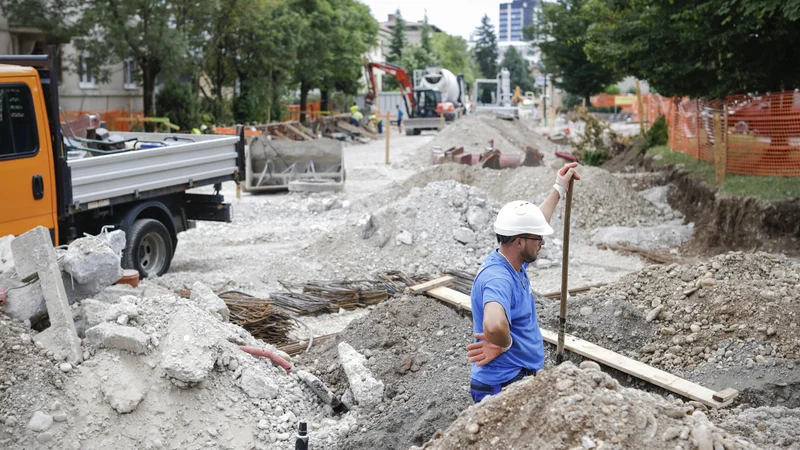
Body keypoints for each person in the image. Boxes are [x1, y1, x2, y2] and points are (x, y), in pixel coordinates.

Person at [466, 162, 581, 403]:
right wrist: (504, 344)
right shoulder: (498, 278)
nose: (542, 242)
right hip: (504, 385)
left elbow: (533, 225)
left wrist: (559, 188)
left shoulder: (512, 261)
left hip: (514, 378)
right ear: (519, 241)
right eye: (538, 239)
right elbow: (494, 324)